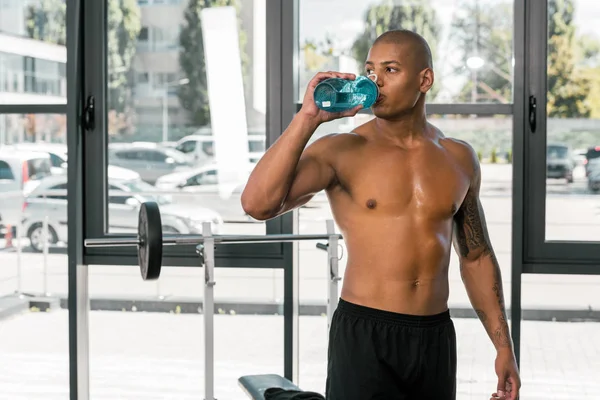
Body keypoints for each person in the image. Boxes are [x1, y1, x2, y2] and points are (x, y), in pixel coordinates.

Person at [241, 29, 521, 400]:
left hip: (434, 336)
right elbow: (257, 204)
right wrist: (307, 119)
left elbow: (476, 256)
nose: (376, 81)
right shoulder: (341, 150)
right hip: (365, 332)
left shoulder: (458, 157)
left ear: (425, 79)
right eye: (371, 70)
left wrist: (504, 346)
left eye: (390, 70)